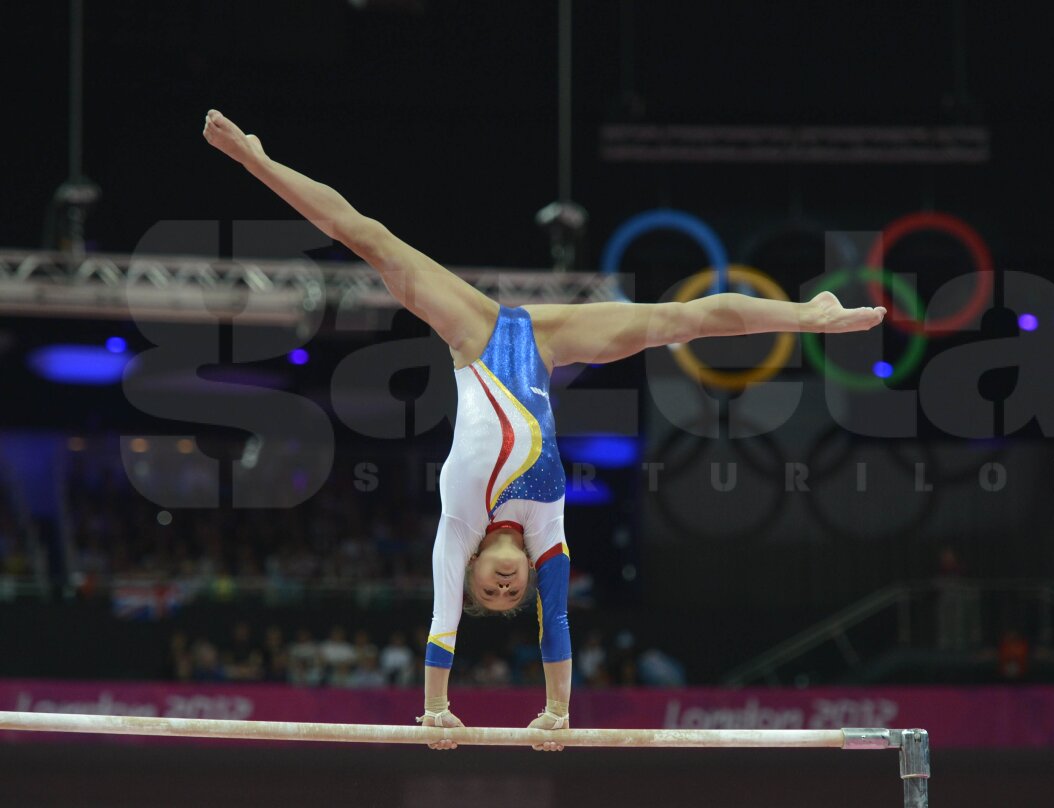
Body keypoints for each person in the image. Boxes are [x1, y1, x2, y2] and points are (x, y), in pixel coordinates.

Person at [202, 109, 887, 751]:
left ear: (473, 570)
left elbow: (441, 624)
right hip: (546, 344)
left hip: (472, 338)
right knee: (679, 322)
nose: (503, 587)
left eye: (488, 590)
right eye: (512, 591)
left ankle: (256, 160)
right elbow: (555, 626)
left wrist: (434, 707)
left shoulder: (459, 526)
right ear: (527, 572)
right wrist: (558, 711)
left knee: (371, 240)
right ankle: (810, 316)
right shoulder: (548, 529)